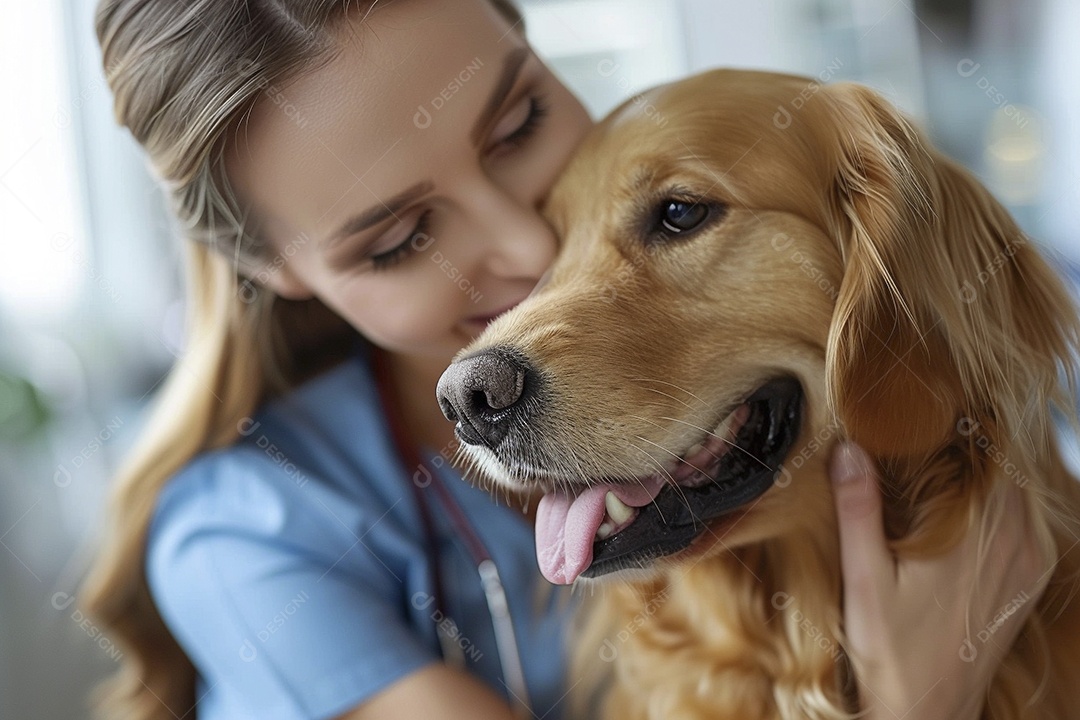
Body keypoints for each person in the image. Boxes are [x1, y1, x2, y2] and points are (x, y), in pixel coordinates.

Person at [79, 1, 1048, 719]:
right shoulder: (254, 535)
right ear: (275, 269)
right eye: (400, 238)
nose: (529, 250)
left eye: (517, 128)